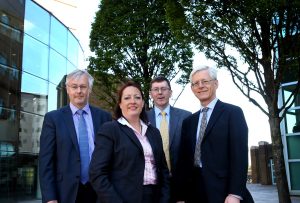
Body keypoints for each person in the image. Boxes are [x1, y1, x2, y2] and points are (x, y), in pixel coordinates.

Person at [174, 66, 254, 203]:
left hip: (224, 192)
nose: (200, 86)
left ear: (215, 84)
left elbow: (239, 155)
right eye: (196, 83)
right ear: (192, 89)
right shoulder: (189, 122)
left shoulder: (233, 113)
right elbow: (184, 161)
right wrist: (181, 196)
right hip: (194, 193)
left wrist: (235, 193)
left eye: (205, 81)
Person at [89, 80, 170, 203]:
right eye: (127, 98)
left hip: (154, 197)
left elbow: (163, 171)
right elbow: (97, 173)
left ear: (142, 103)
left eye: (137, 97)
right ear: (120, 104)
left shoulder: (154, 132)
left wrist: (164, 199)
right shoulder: (110, 130)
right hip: (121, 198)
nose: (133, 101)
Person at [39, 69, 112, 203]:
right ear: (67, 89)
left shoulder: (104, 117)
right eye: (74, 87)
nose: (79, 91)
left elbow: (112, 157)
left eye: (83, 87)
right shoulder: (53, 119)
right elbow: (46, 161)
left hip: (99, 192)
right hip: (65, 192)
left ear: (89, 89)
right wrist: (50, 197)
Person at [147, 76, 191, 202]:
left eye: (163, 89)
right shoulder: (142, 118)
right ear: (151, 94)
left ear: (170, 92)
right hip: (152, 184)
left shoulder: (186, 117)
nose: (160, 93)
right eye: (156, 89)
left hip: (181, 184)